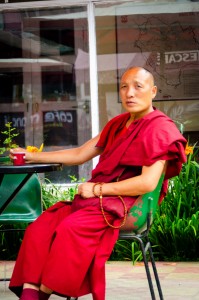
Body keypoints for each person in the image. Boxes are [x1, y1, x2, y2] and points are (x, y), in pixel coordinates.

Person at [9, 67, 187, 300]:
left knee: (68, 228)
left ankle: (43, 293)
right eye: (124, 87)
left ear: (153, 91)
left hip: (130, 205)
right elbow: (80, 154)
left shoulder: (161, 129)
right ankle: (30, 292)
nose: (129, 93)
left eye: (137, 86)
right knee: (39, 228)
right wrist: (32, 156)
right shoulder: (118, 124)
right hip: (98, 201)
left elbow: (146, 183)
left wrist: (96, 189)